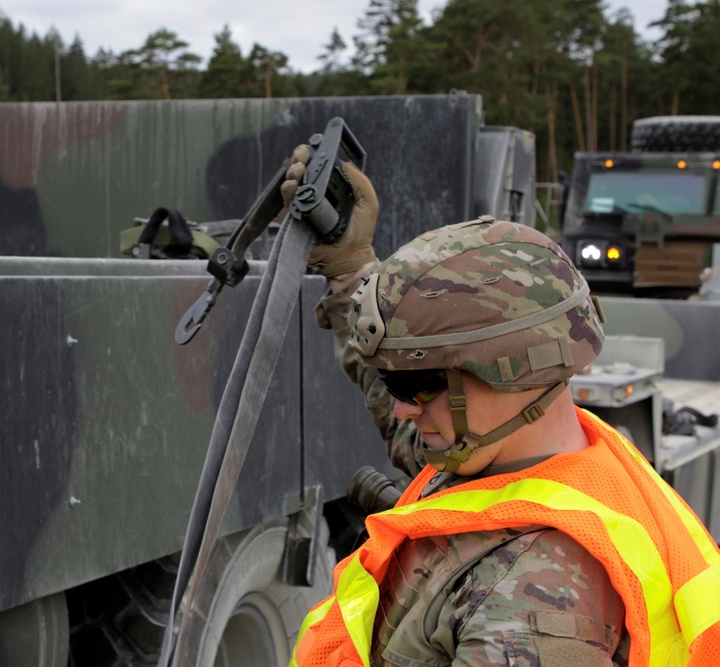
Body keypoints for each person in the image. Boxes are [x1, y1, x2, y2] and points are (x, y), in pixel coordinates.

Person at [280, 146, 720, 666]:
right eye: (395, 385)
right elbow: (413, 423)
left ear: (513, 373)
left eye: (419, 385)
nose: (402, 411)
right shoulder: (511, 455)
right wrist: (350, 264)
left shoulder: (532, 600)